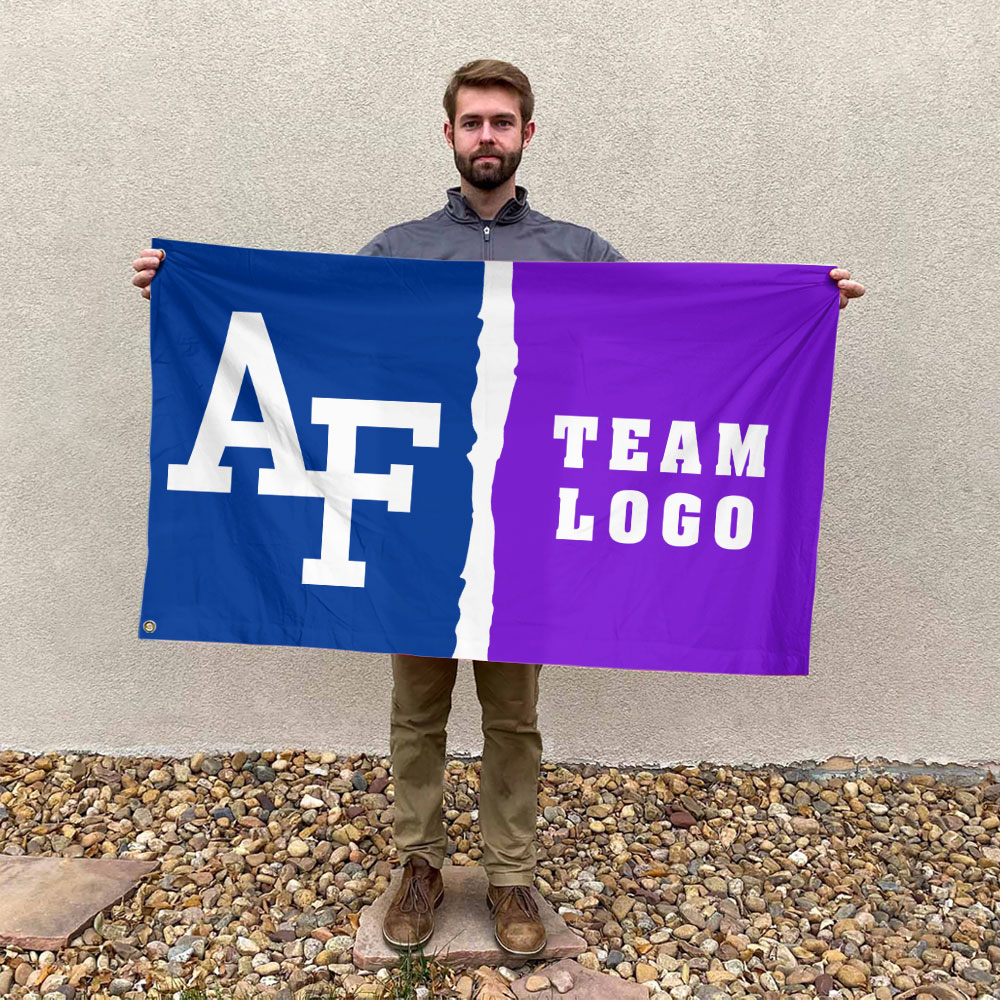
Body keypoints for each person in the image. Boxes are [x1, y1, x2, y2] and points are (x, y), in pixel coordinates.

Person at [130, 59, 866, 960]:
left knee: (513, 713)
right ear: (449, 134)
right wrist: (187, 289)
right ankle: (419, 864)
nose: (488, 136)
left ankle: (512, 872)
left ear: (527, 134)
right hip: (413, 525)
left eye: (503, 122)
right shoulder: (399, 251)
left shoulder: (578, 253)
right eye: (473, 121)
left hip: (528, 527)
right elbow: (313, 331)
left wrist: (800, 309)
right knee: (418, 708)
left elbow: (669, 333)